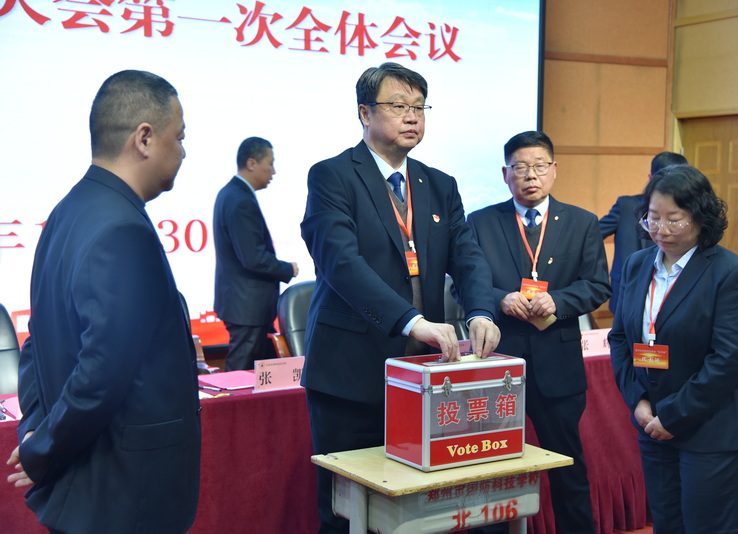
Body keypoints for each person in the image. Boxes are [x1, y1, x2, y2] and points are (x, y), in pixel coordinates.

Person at [300, 62, 501, 533]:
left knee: (416, 506)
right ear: (364, 113)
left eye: (419, 107)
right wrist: (412, 320)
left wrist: (480, 311)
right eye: (398, 106)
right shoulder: (332, 176)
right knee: (348, 509)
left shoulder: (440, 185)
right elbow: (341, 264)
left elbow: (467, 257)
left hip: (422, 376)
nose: (412, 116)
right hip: (351, 375)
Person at [4, 70, 201, 533]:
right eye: (180, 136)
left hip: (89, 491)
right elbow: (102, 372)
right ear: (144, 138)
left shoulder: (67, 210)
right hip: (123, 494)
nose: (184, 151)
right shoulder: (123, 229)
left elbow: (36, 341)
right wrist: (42, 447)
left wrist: (35, 428)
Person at [466, 130, 611, 534]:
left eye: (539, 166)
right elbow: (464, 284)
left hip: (557, 364)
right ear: (505, 174)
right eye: (520, 167)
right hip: (499, 361)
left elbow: (598, 285)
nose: (531, 175)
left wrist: (558, 301)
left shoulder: (582, 222)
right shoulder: (481, 223)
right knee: (492, 465)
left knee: (567, 465)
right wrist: (500, 299)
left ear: (554, 170)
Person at [609, 164, 738, 533]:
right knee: (667, 524)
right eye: (652, 218)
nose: (660, 230)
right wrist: (638, 401)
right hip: (653, 427)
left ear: (701, 218)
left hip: (710, 431)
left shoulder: (730, 273)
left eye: (673, 220)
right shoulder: (637, 264)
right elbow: (620, 338)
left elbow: (730, 359)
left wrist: (672, 416)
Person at [213, 136, 298, 370]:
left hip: (246, 306)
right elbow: (253, 258)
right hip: (246, 308)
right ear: (252, 163)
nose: (274, 171)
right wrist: (287, 269)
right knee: (239, 373)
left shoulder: (231, 193)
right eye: (270, 163)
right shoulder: (240, 200)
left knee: (264, 372)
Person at [599, 151, 688, 314]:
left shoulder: (688, 213)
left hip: (672, 287)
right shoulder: (626, 205)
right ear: (650, 178)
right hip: (627, 288)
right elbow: (592, 235)